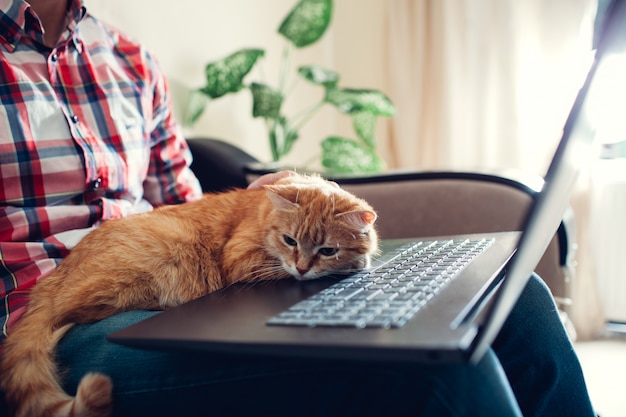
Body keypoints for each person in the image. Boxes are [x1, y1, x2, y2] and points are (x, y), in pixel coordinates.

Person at [0, 1, 597, 416]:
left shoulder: (129, 59)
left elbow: (182, 205)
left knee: (517, 300)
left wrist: (269, 208)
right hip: (56, 325)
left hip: (184, 288)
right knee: (431, 367)